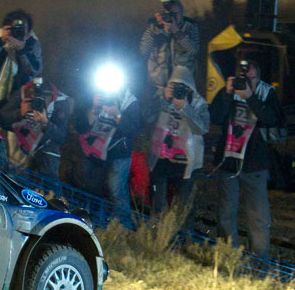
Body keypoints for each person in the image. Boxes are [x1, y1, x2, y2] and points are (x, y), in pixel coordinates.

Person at [209, 60, 283, 256]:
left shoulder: (267, 93)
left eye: (251, 78)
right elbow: (215, 117)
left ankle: (260, 260)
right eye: (243, 78)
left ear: (258, 78)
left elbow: (273, 119)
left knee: (258, 216)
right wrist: (226, 94)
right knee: (226, 213)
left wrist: (251, 98)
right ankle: (229, 255)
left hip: (256, 163)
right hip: (228, 161)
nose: (246, 82)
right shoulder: (229, 91)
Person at [144, 66, 210, 216]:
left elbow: (202, 129)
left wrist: (185, 107)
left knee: (183, 209)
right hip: (160, 160)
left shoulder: (198, 102)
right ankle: (159, 230)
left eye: (182, 87)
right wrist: (164, 100)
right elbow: (147, 118)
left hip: (185, 163)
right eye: (174, 85)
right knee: (158, 206)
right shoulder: (160, 97)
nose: (177, 90)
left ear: (189, 88)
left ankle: (182, 231)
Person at [74, 85, 142, 221]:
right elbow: (81, 126)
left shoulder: (130, 102)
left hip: (119, 153)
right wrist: (93, 107)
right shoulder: (95, 96)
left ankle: (122, 225)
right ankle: (93, 220)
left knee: (115, 189)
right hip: (94, 151)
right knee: (92, 186)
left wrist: (117, 114)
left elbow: (133, 131)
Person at [0, 77, 69, 181]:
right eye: (34, 99)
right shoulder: (22, 94)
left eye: (43, 99)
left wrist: (46, 123)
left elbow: (61, 137)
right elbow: (0, 119)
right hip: (20, 146)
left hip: (46, 150)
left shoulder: (60, 102)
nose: (38, 102)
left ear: (52, 96)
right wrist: (19, 113)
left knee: (47, 180)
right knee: (17, 178)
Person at [0, 9, 42, 108]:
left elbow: (34, 70)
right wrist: (0, 41)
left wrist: (22, 51)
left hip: (18, 98)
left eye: (22, 28)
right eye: (14, 27)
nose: (18, 31)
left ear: (29, 30)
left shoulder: (32, 42)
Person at [139, 0, 200, 94]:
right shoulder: (154, 28)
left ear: (182, 13)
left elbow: (194, 50)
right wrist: (154, 32)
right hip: (158, 87)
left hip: (183, 87)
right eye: (169, 14)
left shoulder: (190, 27)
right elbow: (143, 52)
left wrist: (177, 32)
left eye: (175, 14)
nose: (172, 17)